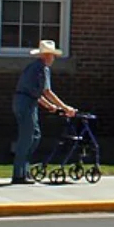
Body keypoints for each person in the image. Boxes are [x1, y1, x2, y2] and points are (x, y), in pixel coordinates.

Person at [12, 39, 76, 184]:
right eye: (52, 55)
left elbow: (37, 93)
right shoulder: (41, 68)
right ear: (46, 55)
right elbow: (47, 91)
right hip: (26, 104)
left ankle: (25, 170)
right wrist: (66, 108)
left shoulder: (33, 68)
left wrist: (49, 106)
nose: (53, 58)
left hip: (27, 102)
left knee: (35, 135)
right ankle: (19, 174)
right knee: (27, 138)